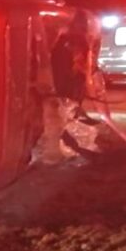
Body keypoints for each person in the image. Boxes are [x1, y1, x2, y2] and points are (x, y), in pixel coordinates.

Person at [33, 9, 102, 164]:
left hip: (63, 87)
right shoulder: (76, 41)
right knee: (61, 119)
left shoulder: (64, 39)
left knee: (61, 119)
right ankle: (56, 151)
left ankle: (59, 149)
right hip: (66, 87)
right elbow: (79, 66)